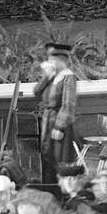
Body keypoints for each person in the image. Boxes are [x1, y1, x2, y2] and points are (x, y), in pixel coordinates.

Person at [34, 43, 79, 184]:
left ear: (61, 61)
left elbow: (68, 105)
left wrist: (59, 127)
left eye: (52, 60)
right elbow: (36, 92)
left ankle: (60, 189)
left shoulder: (68, 77)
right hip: (47, 121)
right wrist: (46, 77)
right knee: (47, 155)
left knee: (59, 157)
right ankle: (49, 186)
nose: (49, 63)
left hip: (59, 124)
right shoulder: (52, 76)